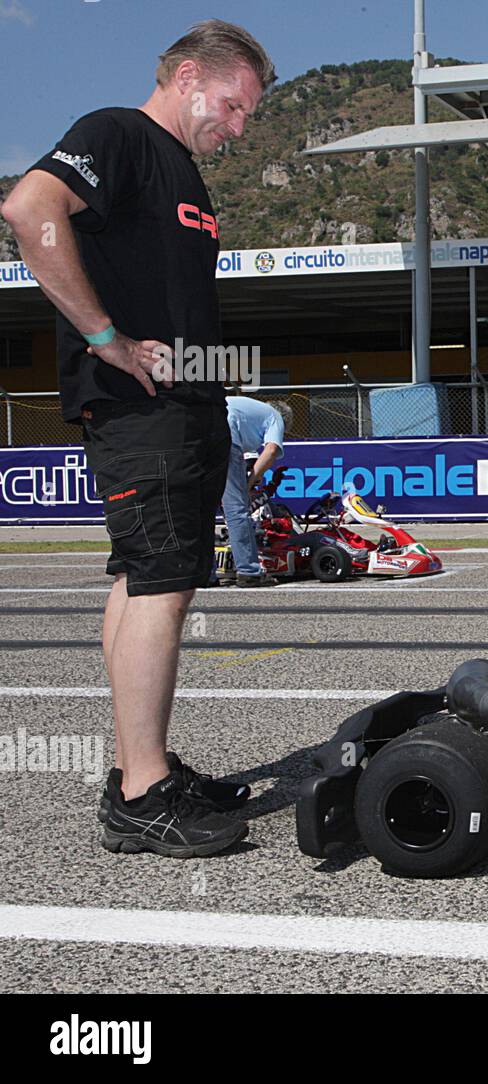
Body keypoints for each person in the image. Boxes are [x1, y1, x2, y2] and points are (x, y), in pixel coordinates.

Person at [0, 21, 276, 859]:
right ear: (188, 76)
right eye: (232, 106)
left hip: (185, 399)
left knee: (142, 578)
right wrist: (104, 336)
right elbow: (28, 206)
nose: (236, 128)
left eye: (245, 117)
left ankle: (135, 769)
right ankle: (144, 796)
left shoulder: (182, 169)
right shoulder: (118, 131)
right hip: (138, 403)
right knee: (161, 585)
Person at [221, 395, 286, 587]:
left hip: (197, 431)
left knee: (201, 507)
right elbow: (271, 450)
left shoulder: (250, 409)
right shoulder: (275, 416)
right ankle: (249, 571)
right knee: (237, 510)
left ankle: (204, 572)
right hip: (225, 435)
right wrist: (249, 483)